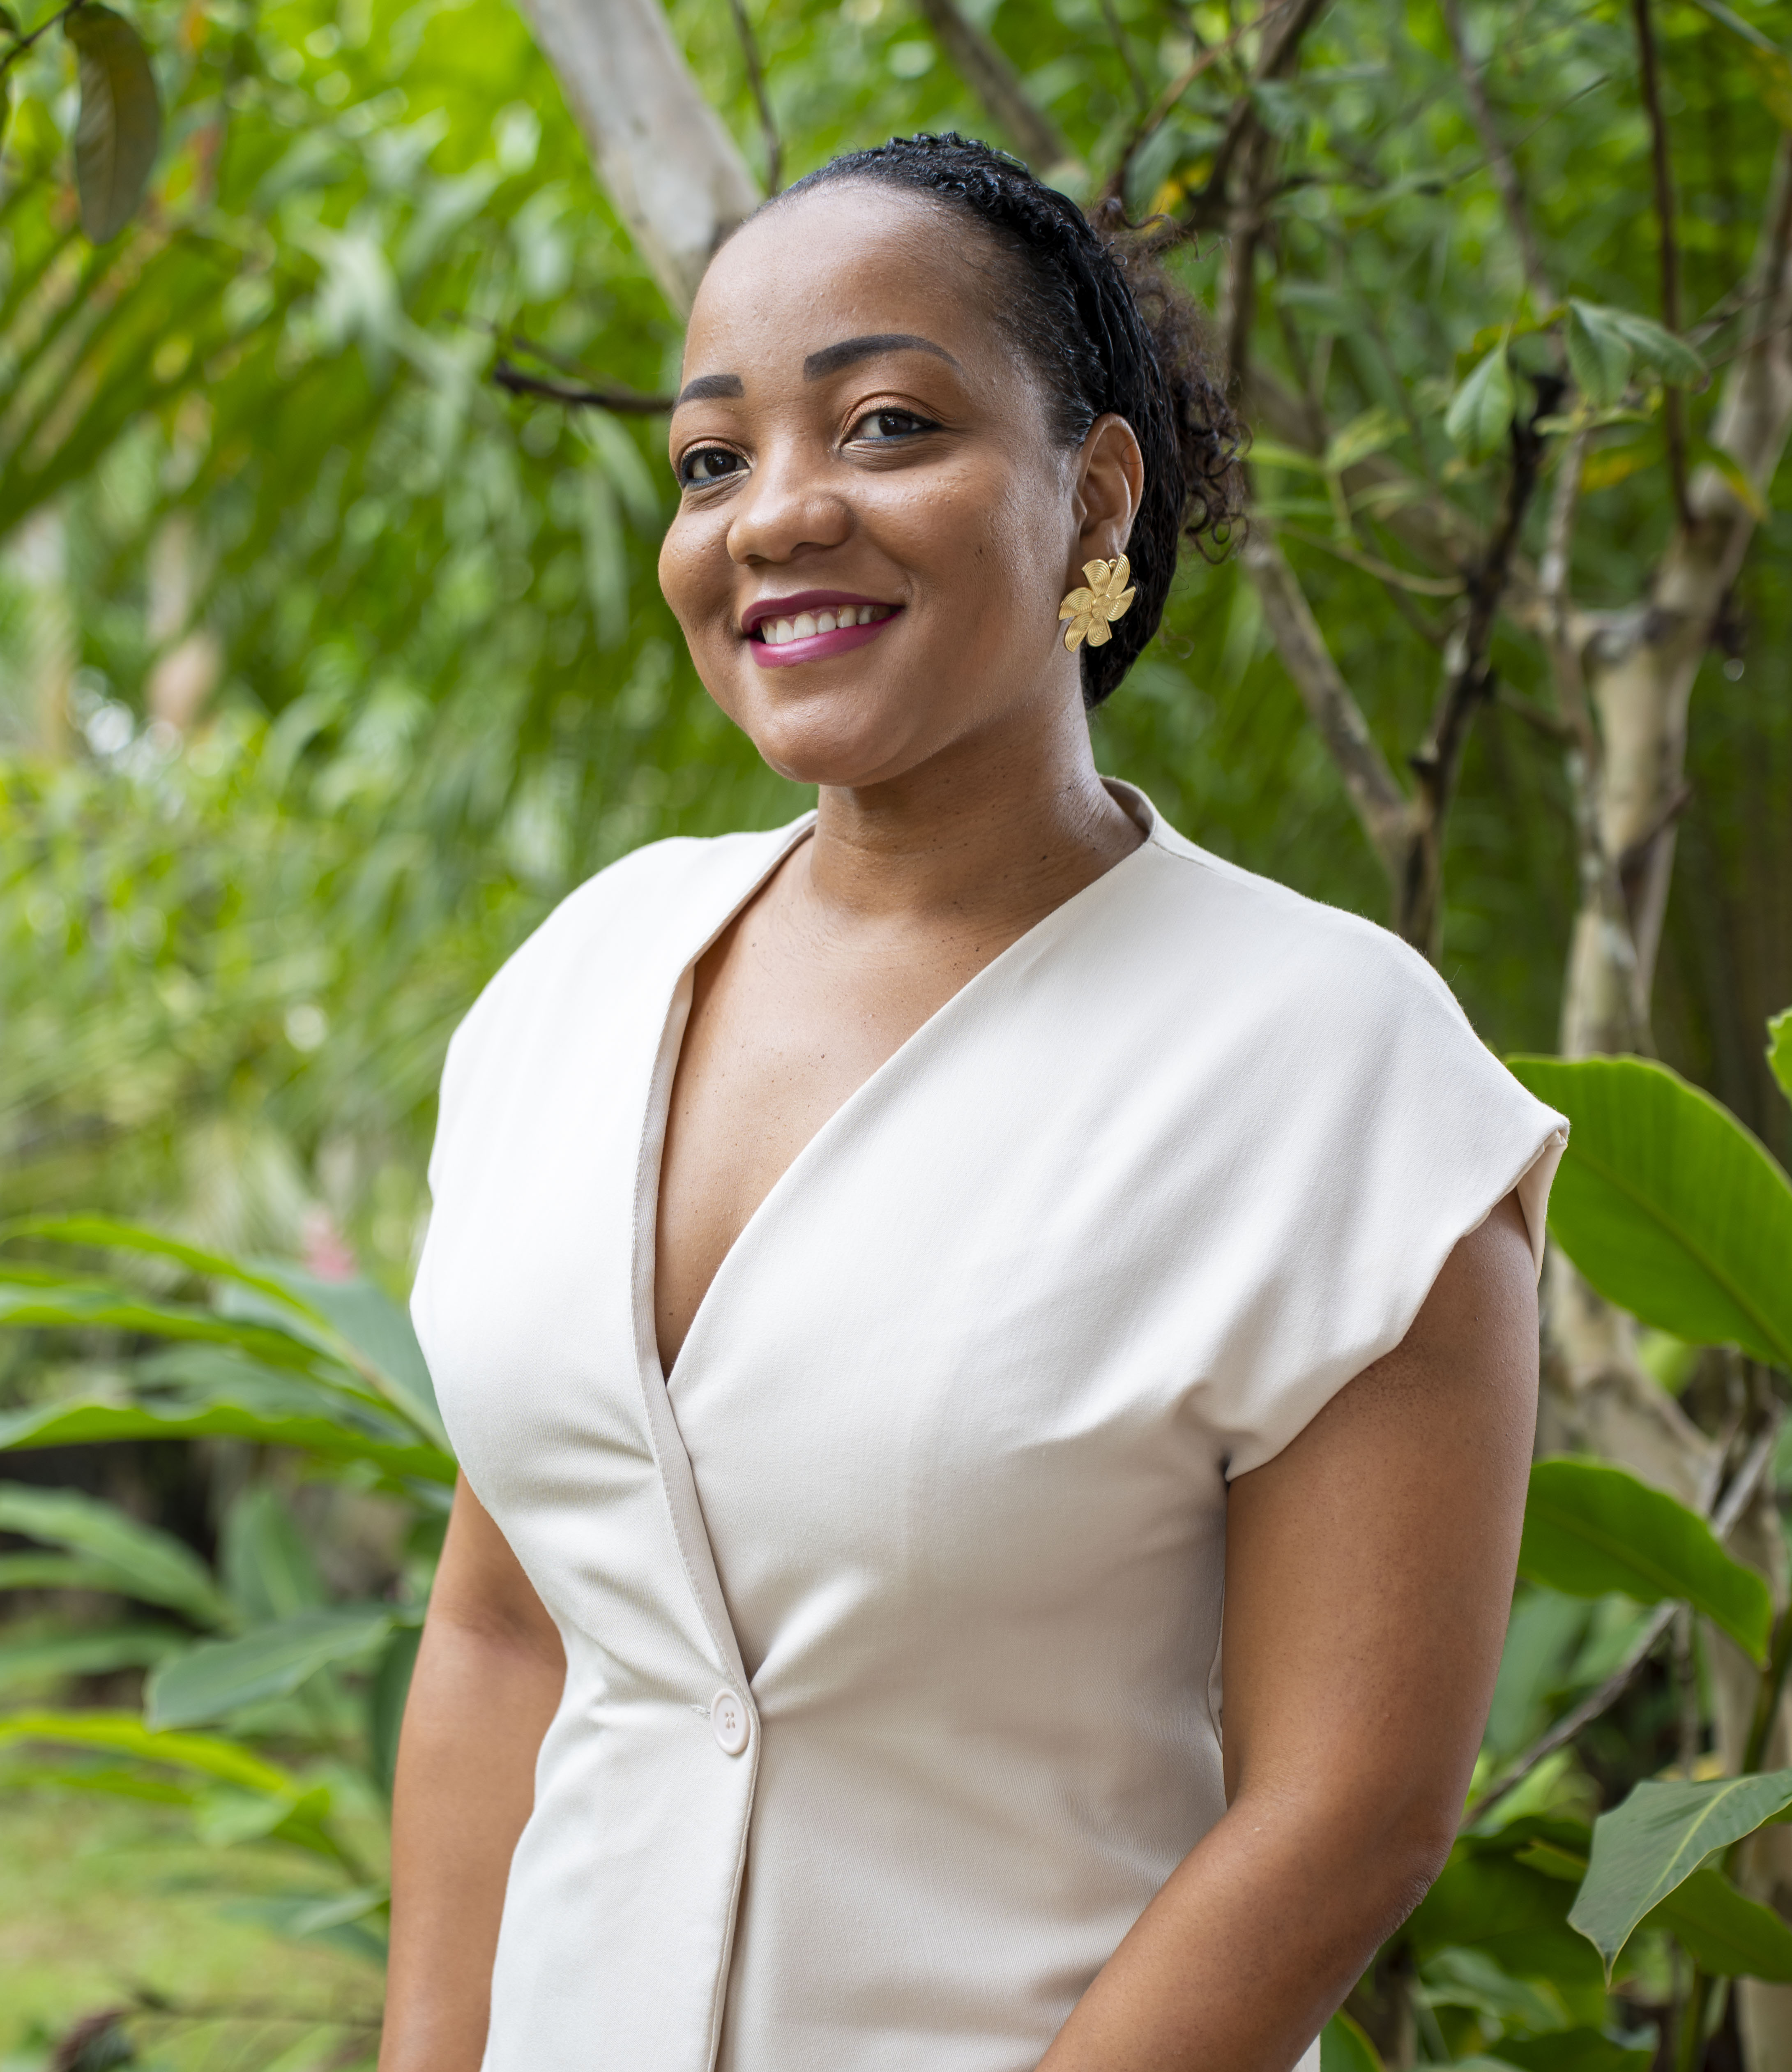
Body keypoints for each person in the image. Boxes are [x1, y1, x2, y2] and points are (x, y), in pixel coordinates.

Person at [381, 134, 1567, 2072]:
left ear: (1090, 493)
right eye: (711, 458)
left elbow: (1342, 1811)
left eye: (884, 425)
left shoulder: (1332, 1069)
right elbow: (503, 1626)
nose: (775, 515)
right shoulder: (573, 987)